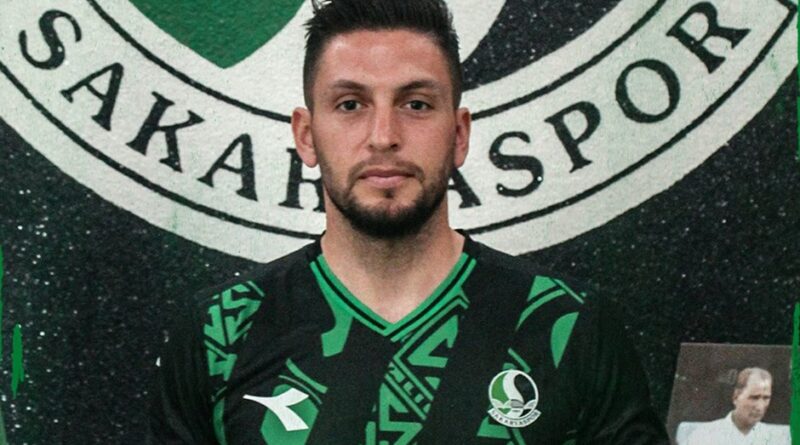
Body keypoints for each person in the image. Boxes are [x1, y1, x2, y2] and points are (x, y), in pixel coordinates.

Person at [147, 0, 668, 443]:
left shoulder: (569, 326)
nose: (383, 136)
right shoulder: (220, 334)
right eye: (350, 104)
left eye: (416, 104)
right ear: (306, 136)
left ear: (459, 135)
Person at [686, 368, 789, 445]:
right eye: (754, 398)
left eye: (766, 398)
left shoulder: (778, 439)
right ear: (736, 397)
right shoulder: (704, 435)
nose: (760, 407)